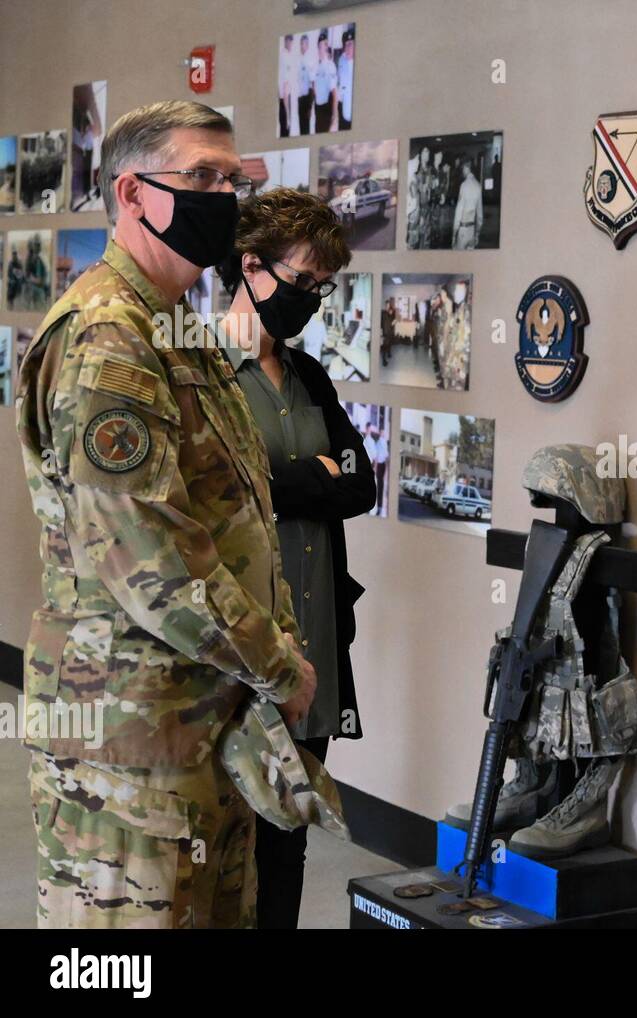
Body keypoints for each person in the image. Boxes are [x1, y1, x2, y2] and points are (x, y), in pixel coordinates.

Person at [15, 100, 317, 929]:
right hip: (128, 746)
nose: (223, 194)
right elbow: (152, 563)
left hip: (205, 726)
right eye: (200, 177)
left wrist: (271, 653)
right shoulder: (109, 339)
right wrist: (282, 668)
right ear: (133, 193)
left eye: (232, 176)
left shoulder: (174, 328)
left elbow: (235, 517)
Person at [216, 187, 374, 929]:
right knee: (223, 847)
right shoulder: (198, 368)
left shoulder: (309, 376)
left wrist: (284, 485)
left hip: (317, 649)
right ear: (251, 266)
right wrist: (316, 477)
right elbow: (214, 494)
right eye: (304, 281)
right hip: (236, 658)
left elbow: (363, 482)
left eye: (322, 287)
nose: (312, 298)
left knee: (288, 842)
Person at [452, 160, 484, 250]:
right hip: (472, 230)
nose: (462, 171)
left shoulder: (464, 185)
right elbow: (480, 215)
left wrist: (454, 234)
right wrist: (477, 233)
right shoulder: (478, 185)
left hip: (463, 231)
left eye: (463, 169)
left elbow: (458, 212)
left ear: (467, 168)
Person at [312, 32, 339, 135]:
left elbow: (334, 93)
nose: (319, 50)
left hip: (325, 110)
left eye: (321, 46)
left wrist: (334, 118)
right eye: (318, 47)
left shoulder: (330, 66)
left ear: (326, 46)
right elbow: (314, 84)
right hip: (318, 109)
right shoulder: (318, 66)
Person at [337, 29, 354, 132]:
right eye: (345, 44)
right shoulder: (341, 59)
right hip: (343, 112)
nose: (346, 48)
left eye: (350, 44)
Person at [296, 34, 313, 136]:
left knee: (306, 129)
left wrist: (310, 106)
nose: (302, 46)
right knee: (301, 127)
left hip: (307, 99)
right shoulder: (299, 59)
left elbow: (311, 84)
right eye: (301, 43)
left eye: (304, 43)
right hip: (300, 98)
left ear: (307, 45)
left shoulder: (309, 60)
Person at [278, 34, 294, 138]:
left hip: (284, 98)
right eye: (290, 41)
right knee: (286, 128)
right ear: (286, 41)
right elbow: (284, 86)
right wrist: (288, 115)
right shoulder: (284, 57)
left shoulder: (284, 55)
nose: (291, 44)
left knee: (284, 130)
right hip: (285, 99)